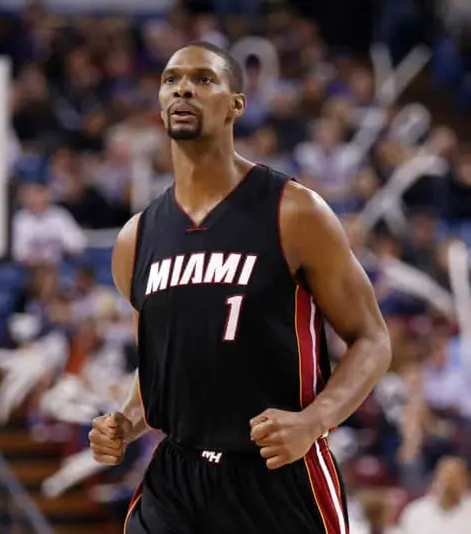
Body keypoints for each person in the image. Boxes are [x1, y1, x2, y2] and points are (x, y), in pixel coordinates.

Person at [88, 42, 392, 533]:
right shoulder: (136, 238)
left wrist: (314, 422)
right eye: (171, 80)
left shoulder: (295, 211)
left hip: (276, 476)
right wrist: (125, 420)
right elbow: (163, 362)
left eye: (203, 79)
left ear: (236, 105)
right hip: (176, 481)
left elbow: (373, 339)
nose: (183, 88)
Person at [398, 456, 471, 534]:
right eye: (445, 476)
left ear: (465, 482)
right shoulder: (415, 512)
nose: (449, 482)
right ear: (436, 479)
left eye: (454, 478)